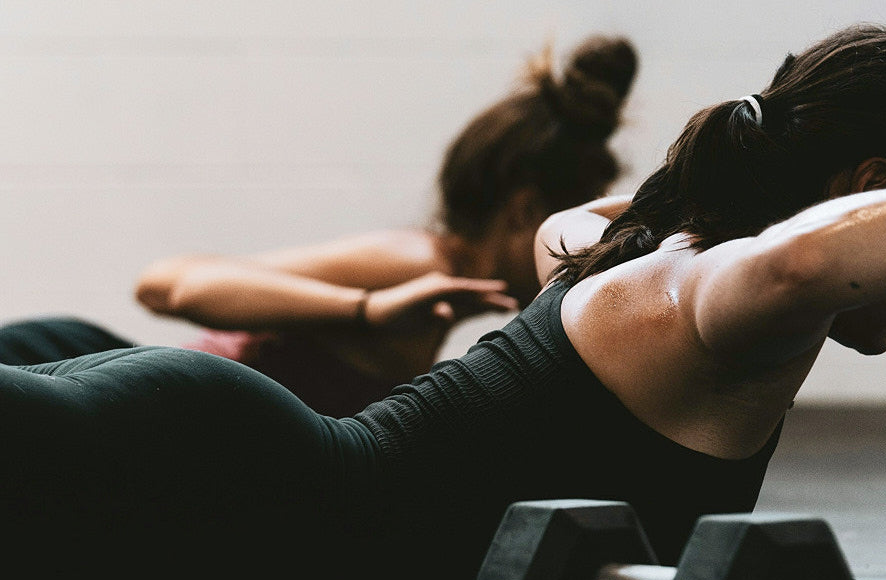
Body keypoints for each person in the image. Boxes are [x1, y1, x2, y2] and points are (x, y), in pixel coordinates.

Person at [1, 24, 886, 580]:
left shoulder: (624, 245)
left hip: (215, 509)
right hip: (220, 492)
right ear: (871, 190)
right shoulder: (714, 300)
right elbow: (804, 258)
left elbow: (743, 235)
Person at [0, 35, 638, 416]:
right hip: (81, 379)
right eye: (578, 230)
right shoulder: (415, 265)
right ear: (525, 212)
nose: (584, 255)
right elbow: (169, 285)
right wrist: (365, 310)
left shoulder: (438, 300)